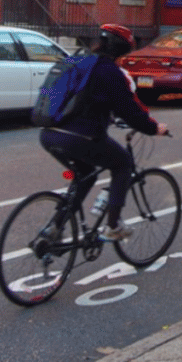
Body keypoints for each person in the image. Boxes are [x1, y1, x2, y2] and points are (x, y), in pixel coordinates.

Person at [40, 24, 169, 241]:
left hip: (48, 133)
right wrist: (153, 128)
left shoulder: (76, 61)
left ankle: (55, 227)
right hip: (79, 137)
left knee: (84, 175)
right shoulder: (109, 71)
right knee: (123, 163)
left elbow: (82, 99)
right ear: (120, 50)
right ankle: (113, 225)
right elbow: (129, 110)